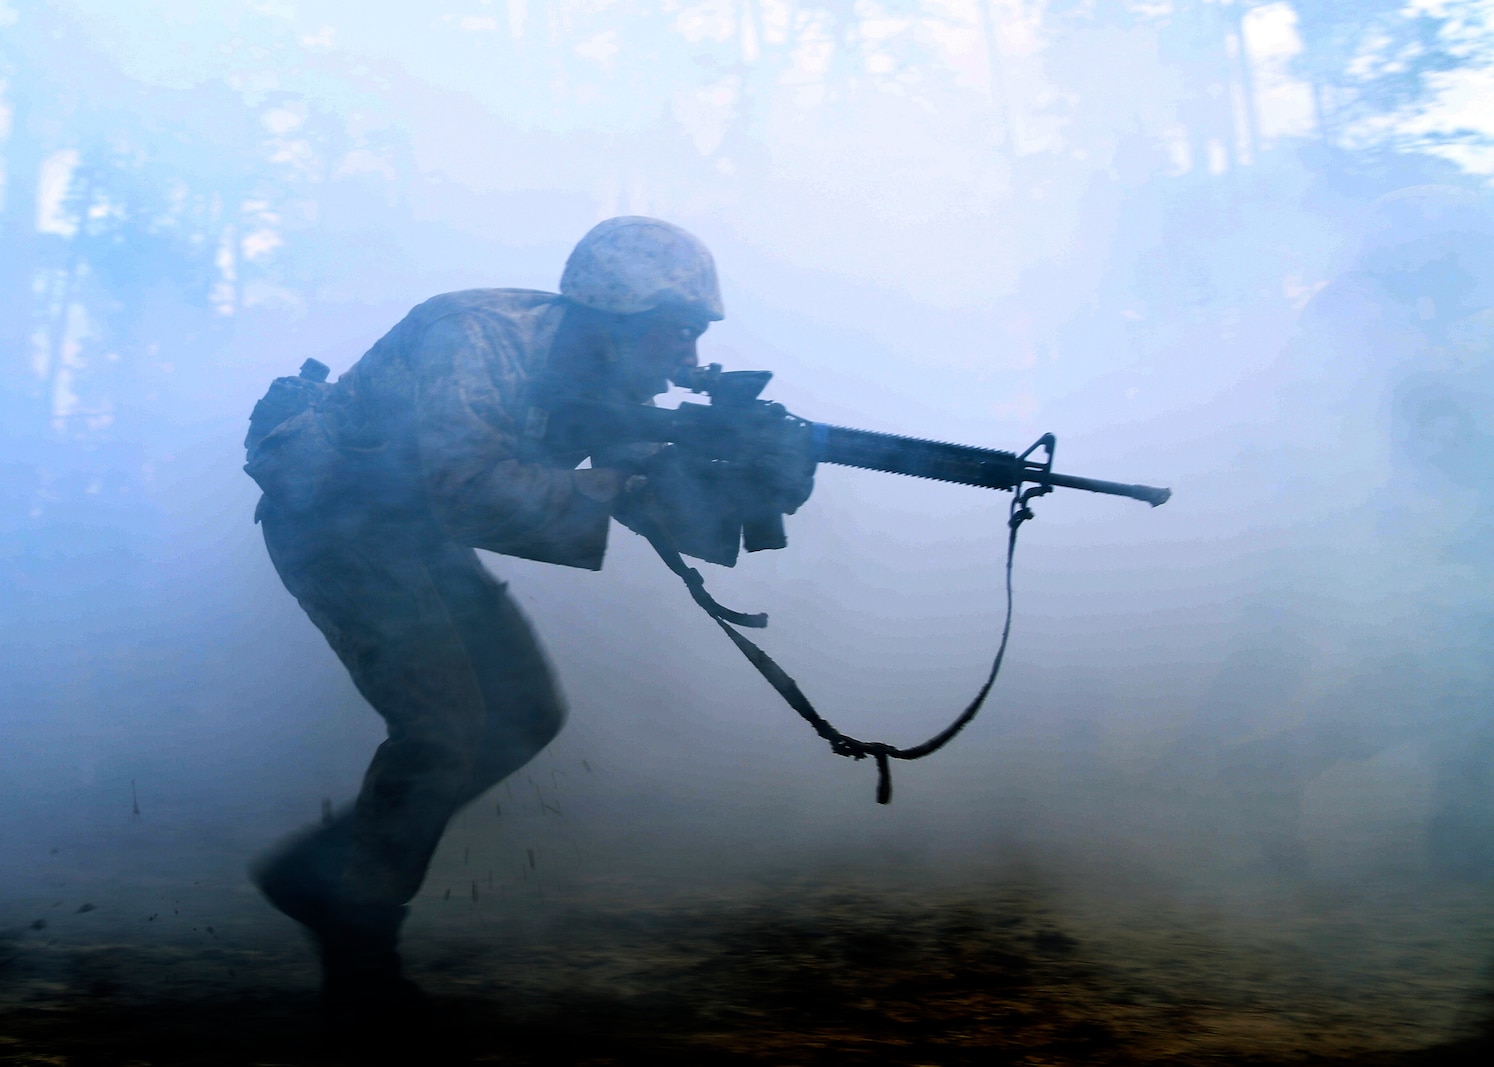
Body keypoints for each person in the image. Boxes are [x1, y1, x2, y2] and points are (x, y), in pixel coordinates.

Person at [242, 217, 814, 1017]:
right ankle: (360, 952)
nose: (688, 361)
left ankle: (328, 873)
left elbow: (643, 502)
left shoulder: (604, 374)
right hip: (335, 523)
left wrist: (736, 488)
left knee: (525, 713)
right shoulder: (474, 336)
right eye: (673, 334)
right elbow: (470, 487)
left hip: (415, 533)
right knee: (442, 727)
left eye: (697, 336)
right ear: (612, 319)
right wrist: (620, 482)